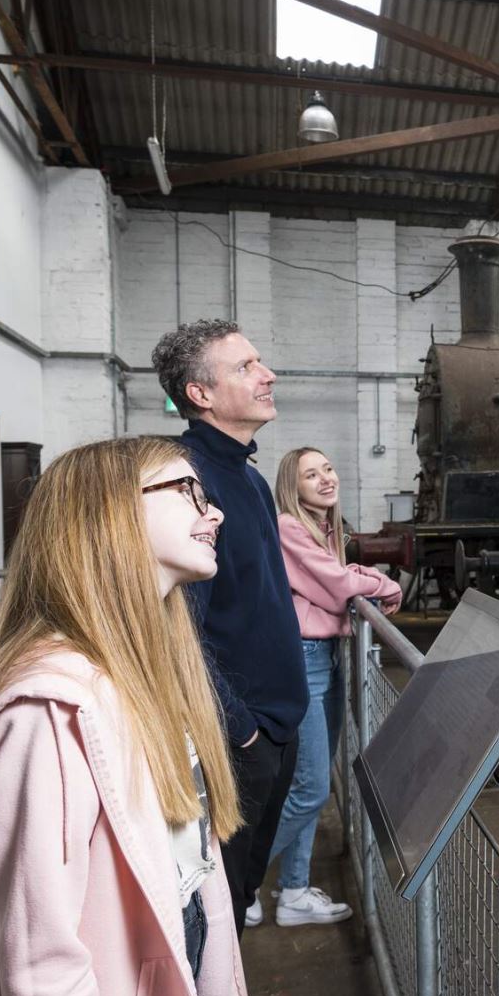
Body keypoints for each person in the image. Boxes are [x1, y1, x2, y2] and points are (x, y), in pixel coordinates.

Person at [0, 437, 255, 996]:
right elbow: (43, 972)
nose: (214, 512)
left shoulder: (147, 670)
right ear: (106, 513)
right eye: (186, 492)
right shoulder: (45, 713)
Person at [153, 319, 308, 934]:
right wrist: (240, 731)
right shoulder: (185, 480)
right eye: (245, 367)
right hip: (237, 740)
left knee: (239, 895)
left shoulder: (248, 479)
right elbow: (175, 632)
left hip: (273, 726)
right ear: (201, 394)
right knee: (214, 911)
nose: (266, 374)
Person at [253, 448, 402, 927]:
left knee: (312, 783)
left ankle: (294, 890)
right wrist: (380, 581)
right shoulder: (289, 527)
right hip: (304, 661)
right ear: (292, 487)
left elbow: (336, 582)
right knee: (312, 788)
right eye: (310, 475)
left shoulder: (326, 530)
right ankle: (238, 882)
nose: (324, 479)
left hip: (325, 658)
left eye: (328, 469)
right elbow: (337, 587)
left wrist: (358, 579)